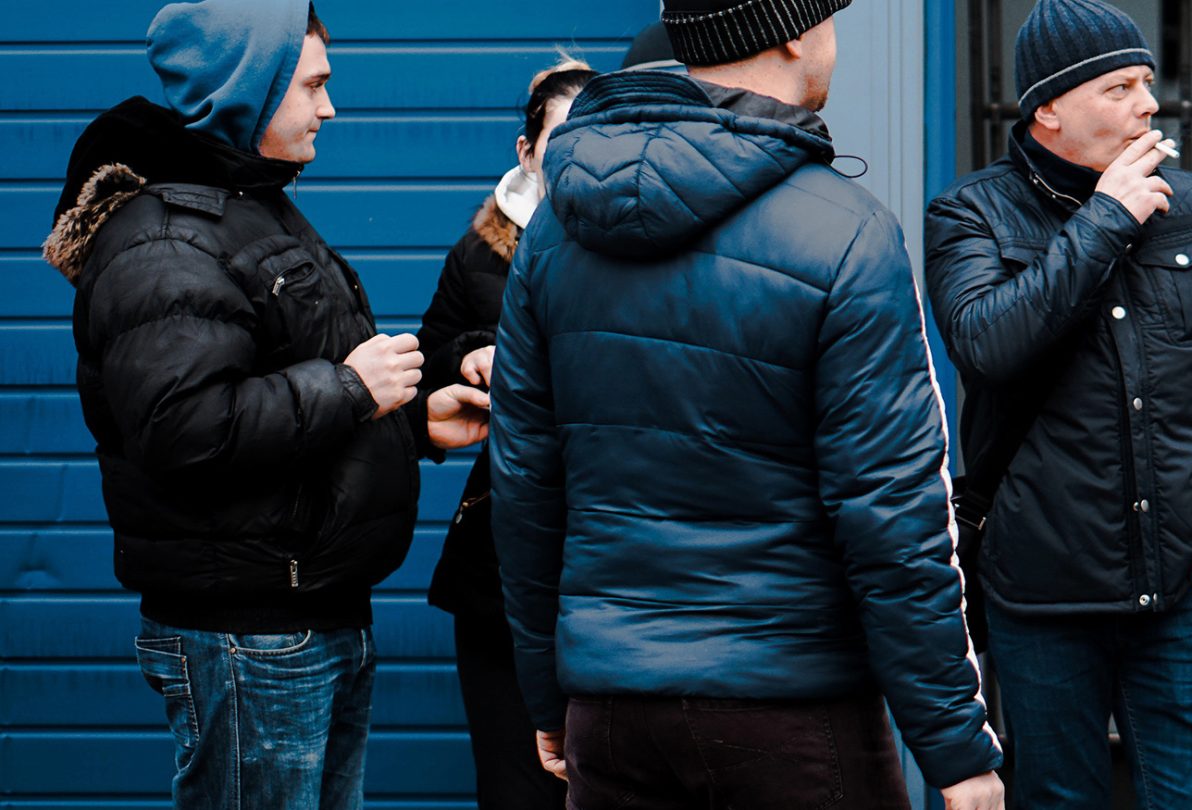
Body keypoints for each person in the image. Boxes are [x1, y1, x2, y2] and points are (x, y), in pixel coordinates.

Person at [487, 1, 1005, 808]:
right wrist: (956, 749)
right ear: (797, 33)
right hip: (792, 714)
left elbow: (525, 488)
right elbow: (893, 511)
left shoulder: (555, 229)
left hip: (615, 710)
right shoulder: (846, 233)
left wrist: (547, 694)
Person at [41, 1, 488, 806]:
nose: (330, 107)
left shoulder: (249, 205)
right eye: (313, 86)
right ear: (251, 89)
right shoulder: (165, 240)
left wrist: (415, 424)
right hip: (250, 635)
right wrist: (353, 387)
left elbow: (286, 394)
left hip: (306, 616)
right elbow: (183, 427)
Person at [923, 0, 1192, 806]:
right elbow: (986, 347)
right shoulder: (970, 215)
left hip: (1174, 589)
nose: (1148, 103)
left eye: (1146, 82)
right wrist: (1106, 218)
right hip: (1039, 591)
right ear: (1050, 109)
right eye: (1119, 88)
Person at [417, 58, 595, 810]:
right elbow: (429, 361)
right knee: (516, 786)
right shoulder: (482, 250)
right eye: (561, 138)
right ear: (526, 153)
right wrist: (468, 356)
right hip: (501, 566)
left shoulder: (644, 243)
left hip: (609, 567)